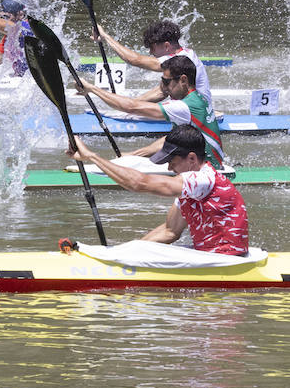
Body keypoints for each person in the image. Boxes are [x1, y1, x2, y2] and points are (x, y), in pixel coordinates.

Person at [67, 124, 249, 256]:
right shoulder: (192, 188)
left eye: (173, 162)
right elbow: (170, 231)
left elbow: (139, 183)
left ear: (192, 158)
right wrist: (127, 251)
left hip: (226, 259)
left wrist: (92, 157)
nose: (170, 168)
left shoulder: (202, 179)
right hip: (212, 255)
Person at [76, 54, 227, 167]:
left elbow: (132, 107)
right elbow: (170, 141)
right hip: (207, 164)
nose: (163, 87)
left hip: (206, 169)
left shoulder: (183, 107)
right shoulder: (197, 98)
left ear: (183, 80)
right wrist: (131, 155)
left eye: (166, 82)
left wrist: (92, 89)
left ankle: (93, 159)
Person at [93, 18, 212, 107]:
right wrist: (128, 104)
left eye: (152, 48)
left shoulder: (181, 59)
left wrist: (105, 36)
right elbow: (162, 91)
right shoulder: (185, 54)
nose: (150, 52)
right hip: (191, 107)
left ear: (166, 46)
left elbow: (135, 60)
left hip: (195, 113)